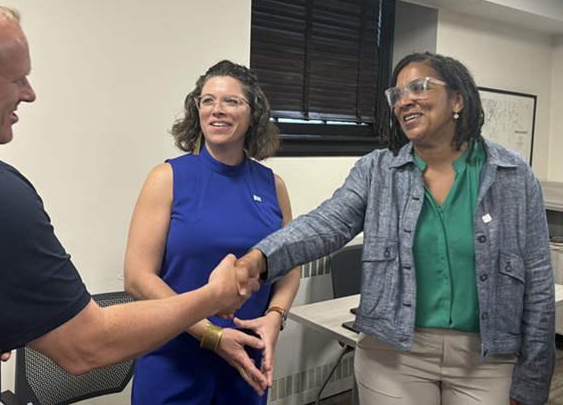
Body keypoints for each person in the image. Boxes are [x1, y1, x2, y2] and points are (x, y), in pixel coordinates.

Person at [0, 0, 256, 405]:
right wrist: (213, 299)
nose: (29, 93)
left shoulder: (269, 182)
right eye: (15, 78)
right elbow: (85, 345)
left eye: (231, 101)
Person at [234, 52, 555, 405]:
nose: (404, 101)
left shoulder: (512, 174)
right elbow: (325, 224)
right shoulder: (378, 171)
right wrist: (258, 258)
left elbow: (538, 282)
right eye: (397, 94)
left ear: (458, 100)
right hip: (394, 351)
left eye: (419, 87)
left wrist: (532, 379)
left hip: (486, 357)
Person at [123, 59, 300, 404]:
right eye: (207, 100)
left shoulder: (272, 185)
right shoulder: (167, 178)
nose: (217, 110)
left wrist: (275, 318)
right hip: (174, 357)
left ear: (254, 114)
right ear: (197, 110)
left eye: (231, 101)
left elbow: (290, 265)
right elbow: (137, 278)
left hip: (246, 362)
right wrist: (213, 336)